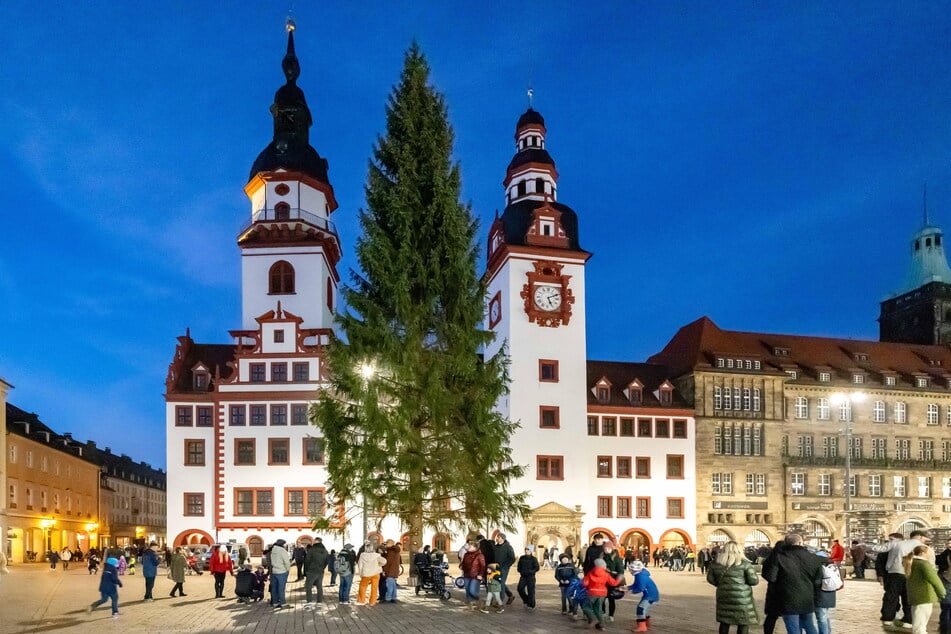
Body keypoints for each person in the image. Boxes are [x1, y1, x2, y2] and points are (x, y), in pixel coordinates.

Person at [761, 533, 822, 634]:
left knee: (793, 626)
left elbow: (771, 577)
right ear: (800, 542)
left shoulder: (779, 557)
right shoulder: (812, 557)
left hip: (787, 597)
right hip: (807, 597)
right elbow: (818, 579)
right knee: (809, 624)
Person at [875, 529, 932, 629]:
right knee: (908, 598)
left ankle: (887, 618)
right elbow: (928, 564)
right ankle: (908, 620)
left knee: (891, 596)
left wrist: (889, 569)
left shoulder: (899, 544)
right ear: (920, 537)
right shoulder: (924, 548)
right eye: (924, 538)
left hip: (895, 573)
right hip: (912, 575)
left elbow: (888, 558)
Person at [706, 541, 758, 634]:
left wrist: (721, 584)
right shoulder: (745, 564)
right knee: (743, 622)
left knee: (725, 621)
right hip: (742, 598)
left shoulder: (716, 563)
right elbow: (753, 581)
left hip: (724, 596)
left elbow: (710, 579)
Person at [905, 544, 946, 634]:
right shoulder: (923, 564)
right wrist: (942, 592)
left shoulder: (911, 562)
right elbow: (934, 579)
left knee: (917, 619)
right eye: (930, 553)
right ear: (923, 553)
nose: (931, 555)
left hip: (914, 595)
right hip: (925, 595)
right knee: (921, 624)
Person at [581, 558, 622, 630]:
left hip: (592, 592)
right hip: (602, 593)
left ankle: (593, 619)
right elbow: (613, 583)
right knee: (598, 609)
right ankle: (602, 625)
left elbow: (585, 584)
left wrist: (583, 579)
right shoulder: (606, 574)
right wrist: (619, 578)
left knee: (586, 607)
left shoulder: (590, 573)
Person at [815, 550, 844, 634]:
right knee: (825, 616)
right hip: (830, 594)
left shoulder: (820, 567)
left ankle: (824, 632)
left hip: (821, 594)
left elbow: (817, 582)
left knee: (821, 618)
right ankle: (827, 632)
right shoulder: (832, 566)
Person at [627, 560, 659, 632]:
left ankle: (642, 626)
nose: (630, 571)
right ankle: (646, 624)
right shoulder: (640, 574)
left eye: (631, 569)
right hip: (650, 594)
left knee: (641, 609)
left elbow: (640, 588)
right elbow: (635, 585)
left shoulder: (640, 576)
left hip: (650, 595)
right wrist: (627, 588)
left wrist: (630, 592)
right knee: (644, 609)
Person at [356, 540, 386, 606]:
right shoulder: (377, 555)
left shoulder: (362, 555)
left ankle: (361, 601)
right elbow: (384, 561)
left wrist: (361, 573)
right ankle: (372, 602)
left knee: (362, 586)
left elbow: (360, 565)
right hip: (375, 573)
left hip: (366, 574)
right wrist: (379, 565)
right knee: (374, 588)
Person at [602, 540, 626, 622]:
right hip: (602, 582)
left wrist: (617, 579)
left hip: (613, 582)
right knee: (602, 598)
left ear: (612, 548)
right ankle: (603, 613)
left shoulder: (617, 559)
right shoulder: (601, 557)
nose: (606, 550)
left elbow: (621, 571)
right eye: (605, 548)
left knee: (611, 599)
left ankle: (611, 615)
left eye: (608, 548)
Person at [303, 538, 329, 608]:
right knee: (319, 586)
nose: (313, 542)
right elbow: (327, 561)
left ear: (316, 541)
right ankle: (319, 602)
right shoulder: (325, 551)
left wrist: (307, 570)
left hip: (312, 570)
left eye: (314, 541)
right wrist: (322, 567)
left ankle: (309, 602)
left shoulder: (312, 550)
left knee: (309, 586)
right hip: (320, 571)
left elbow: (307, 560)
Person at [460, 541, 486, 610]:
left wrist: (480, 574)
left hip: (476, 575)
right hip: (466, 574)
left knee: (472, 590)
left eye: (470, 546)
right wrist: (461, 566)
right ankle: (470, 604)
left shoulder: (480, 555)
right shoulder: (466, 554)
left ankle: (479, 600)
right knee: (467, 590)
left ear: (475, 548)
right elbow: (463, 563)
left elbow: (483, 566)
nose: (468, 547)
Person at [493, 533, 516, 605]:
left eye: (499, 537)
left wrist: (505, 566)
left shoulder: (508, 547)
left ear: (503, 539)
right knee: (499, 583)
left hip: (504, 569)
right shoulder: (495, 547)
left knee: (501, 584)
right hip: (495, 568)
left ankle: (500, 601)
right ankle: (510, 595)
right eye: (497, 537)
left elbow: (512, 558)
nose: (497, 539)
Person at [269, 539, 291, 609]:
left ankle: (275, 602)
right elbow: (286, 562)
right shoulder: (282, 551)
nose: (285, 545)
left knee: (274, 587)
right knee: (281, 588)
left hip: (274, 571)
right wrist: (287, 570)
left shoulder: (273, 550)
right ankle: (283, 603)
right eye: (285, 544)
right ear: (282, 544)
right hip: (282, 571)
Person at [382, 539, 401, 603]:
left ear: (390, 543)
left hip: (390, 570)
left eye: (387, 543)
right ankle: (393, 597)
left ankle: (388, 598)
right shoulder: (396, 550)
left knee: (389, 585)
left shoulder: (391, 551)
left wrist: (384, 570)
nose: (386, 545)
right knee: (393, 585)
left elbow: (388, 562)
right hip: (394, 570)